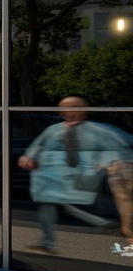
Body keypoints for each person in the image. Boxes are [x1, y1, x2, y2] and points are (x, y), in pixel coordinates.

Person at [18, 94, 133, 253]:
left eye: (72, 106)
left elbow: (122, 147)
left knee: (113, 200)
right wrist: (27, 158)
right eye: (63, 107)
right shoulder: (52, 130)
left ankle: (118, 229)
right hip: (56, 178)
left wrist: (107, 162)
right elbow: (36, 148)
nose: (66, 110)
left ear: (84, 111)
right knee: (48, 204)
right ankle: (47, 242)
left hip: (88, 177)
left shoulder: (99, 130)